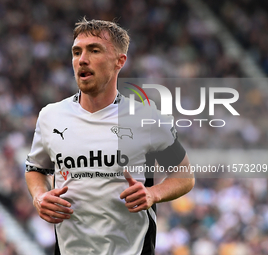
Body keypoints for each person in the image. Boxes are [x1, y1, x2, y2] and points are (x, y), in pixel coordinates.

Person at [25, 18, 195, 255]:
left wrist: (152, 193)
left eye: (94, 50)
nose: (82, 59)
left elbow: (184, 176)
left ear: (119, 61)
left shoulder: (146, 118)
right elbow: (36, 169)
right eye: (76, 52)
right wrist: (39, 197)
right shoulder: (50, 116)